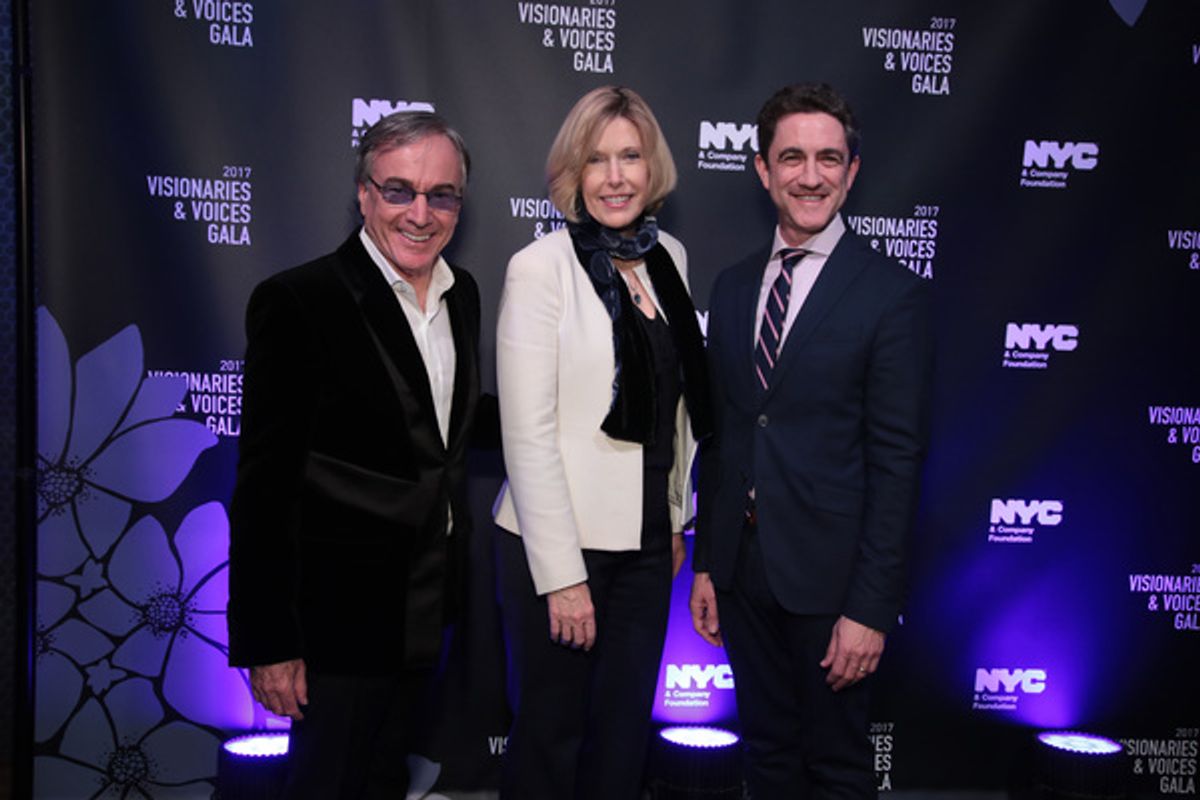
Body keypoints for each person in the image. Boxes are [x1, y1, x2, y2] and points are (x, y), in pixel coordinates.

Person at [227, 111, 482, 798]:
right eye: (398, 190)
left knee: (381, 783)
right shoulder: (299, 301)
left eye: (441, 195)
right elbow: (263, 484)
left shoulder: (465, 299)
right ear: (365, 194)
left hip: (428, 610)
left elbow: (438, 440)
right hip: (333, 622)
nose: (420, 213)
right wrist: (269, 641)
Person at [690, 82, 933, 799]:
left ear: (852, 171)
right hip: (743, 572)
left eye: (829, 158)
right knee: (766, 755)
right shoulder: (734, 288)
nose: (811, 175)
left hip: (833, 584)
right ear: (763, 169)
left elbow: (898, 461)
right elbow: (728, 433)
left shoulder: (893, 295)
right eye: (791, 157)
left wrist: (869, 608)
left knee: (834, 766)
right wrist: (709, 562)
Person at [493, 85, 711, 800]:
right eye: (597, 160)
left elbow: (678, 409)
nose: (615, 177)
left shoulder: (669, 255)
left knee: (621, 741)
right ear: (572, 175)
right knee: (553, 738)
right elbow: (526, 435)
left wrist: (676, 517)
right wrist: (562, 577)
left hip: (648, 544)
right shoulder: (541, 268)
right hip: (559, 546)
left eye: (630, 157)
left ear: (653, 170)